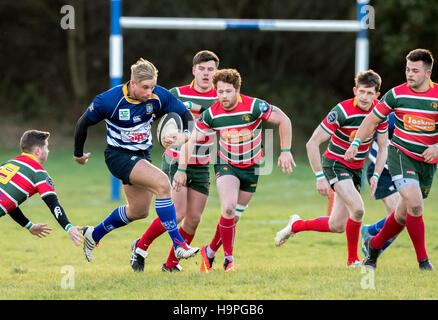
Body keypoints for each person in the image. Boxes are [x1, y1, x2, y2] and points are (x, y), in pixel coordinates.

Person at [73, 58, 199, 262]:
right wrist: (78, 154)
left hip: (141, 155)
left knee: (139, 211)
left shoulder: (158, 96)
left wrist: (182, 135)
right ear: (132, 84)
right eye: (145, 87)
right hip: (117, 156)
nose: (149, 92)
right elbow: (82, 123)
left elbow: (186, 116)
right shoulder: (108, 101)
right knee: (162, 184)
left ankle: (93, 234)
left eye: (152, 86)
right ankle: (178, 245)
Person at [178, 68, 296, 272]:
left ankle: (210, 251)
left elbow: (284, 119)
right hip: (226, 165)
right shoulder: (211, 114)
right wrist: (181, 169)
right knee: (229, 208)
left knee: (233, 218)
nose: (223, 96)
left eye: (228, 91)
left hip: (251, 168)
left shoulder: (254, 106)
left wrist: (285, 150)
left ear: (237, 90)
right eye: (220, 91)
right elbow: (191, 141)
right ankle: (228, 260)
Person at [275, 70, 388, 267]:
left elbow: (383, 147)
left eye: (370, 93)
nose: (364, 97)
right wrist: (320, 176)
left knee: (336, 225)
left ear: (377, 95)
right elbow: (312, 143)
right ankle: (353, 261)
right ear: (355, 90)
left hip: (356, 169)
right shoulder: (342, 111)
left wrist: (376, 174)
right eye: (361, 91)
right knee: (359, 209)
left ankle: (296, 225)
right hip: (335, 164)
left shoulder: (380, 113)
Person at [344, 49, 438, 270]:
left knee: (403, 215)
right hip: (400, 156)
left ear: (428, 72)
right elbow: (370, 120)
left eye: (415, 70)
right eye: (407, 69)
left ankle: (373, 246)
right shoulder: (396, 95)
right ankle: (424, 262)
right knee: (415, 205)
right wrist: (356, 143)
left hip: (427, 164)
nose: (409, 74)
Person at [130, 50, 222, 272]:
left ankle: (171, 264)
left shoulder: (221, 97)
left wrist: (193, 108)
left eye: (211, 69)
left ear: (216, 72)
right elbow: (155, 114)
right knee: (178, 213)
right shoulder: (176, 93)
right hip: (174, 161)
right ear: (194, 70)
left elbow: (215, 115)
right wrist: (163, 134)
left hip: (201, 164)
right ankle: (140, 247)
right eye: (202, 69)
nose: (206, 74)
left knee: (193, 220)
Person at [0, 130, 84, 245]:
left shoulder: (9, 164)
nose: (48, 151)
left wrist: (28, 225)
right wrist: (69, 227)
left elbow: (9, 201)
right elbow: (53, 204)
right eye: (47, 147)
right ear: (38, 151)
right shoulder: (38, 173)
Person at [361, 112, 400, 256]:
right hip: (382, 171)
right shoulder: (392, 116)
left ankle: (371, 239)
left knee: (400, 221)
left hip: (401, 172)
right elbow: (375, 129)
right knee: (399, 216)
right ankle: (371, 240)